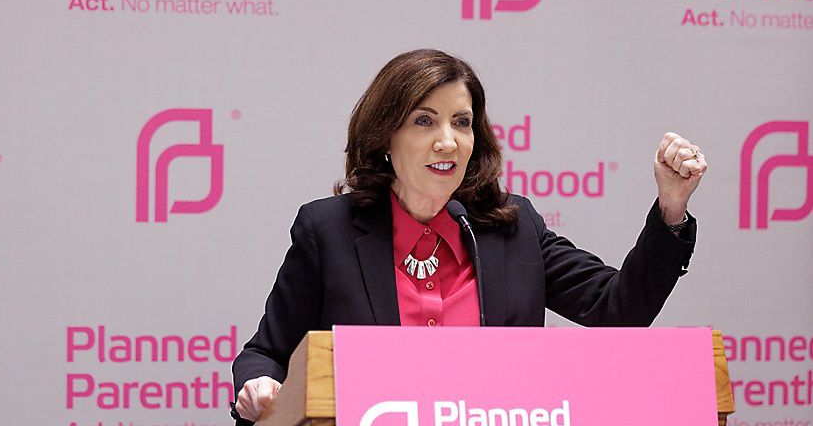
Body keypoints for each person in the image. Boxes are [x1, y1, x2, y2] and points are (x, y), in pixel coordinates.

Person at [231, 49, 707, 423]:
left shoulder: (512, 227)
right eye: (424, 120)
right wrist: (259, 387)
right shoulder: (327, 232)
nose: (448, 140)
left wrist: (671, 208)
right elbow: (265, 354)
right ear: (385, 139)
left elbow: (617, 309)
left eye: (461, 122)